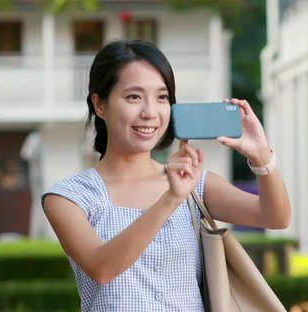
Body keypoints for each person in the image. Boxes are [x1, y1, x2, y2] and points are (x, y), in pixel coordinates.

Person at [42, 39, 291, 311]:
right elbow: (102, 269)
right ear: (99, 105)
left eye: (161, 97)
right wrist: (170, 199)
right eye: (133, 97)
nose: (150, 112)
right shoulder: (68, 197)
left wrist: (261, 156)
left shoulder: (195, 183)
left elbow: (275, 217)